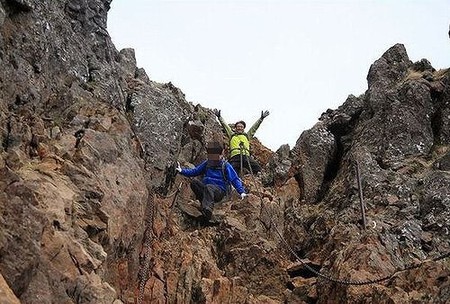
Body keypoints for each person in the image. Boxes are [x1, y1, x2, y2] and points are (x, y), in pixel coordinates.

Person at [176, 141, 247, 221]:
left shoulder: (225, 165)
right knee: (194, 183)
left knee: (209, 187)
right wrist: (181, 170)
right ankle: (203, 203)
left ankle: (207, 211)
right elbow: (195, 171)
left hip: (220, 192)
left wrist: (241, 192)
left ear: (221, 154)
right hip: (207, 190)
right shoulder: (207, 163)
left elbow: (234, 179)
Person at [213, 109, 269, 176]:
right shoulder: (232, 135)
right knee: (229, 171)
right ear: (235, 128)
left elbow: (254, 128)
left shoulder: (247, 135)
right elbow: (225, 126)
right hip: (235, 157)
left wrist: (261, 118)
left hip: (245, 156)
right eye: (238, 127)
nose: (239, 128)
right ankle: (232, 183)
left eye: (241, 127)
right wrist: (219, 117)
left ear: (243, 128)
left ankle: (253, 179)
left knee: (257, 168)